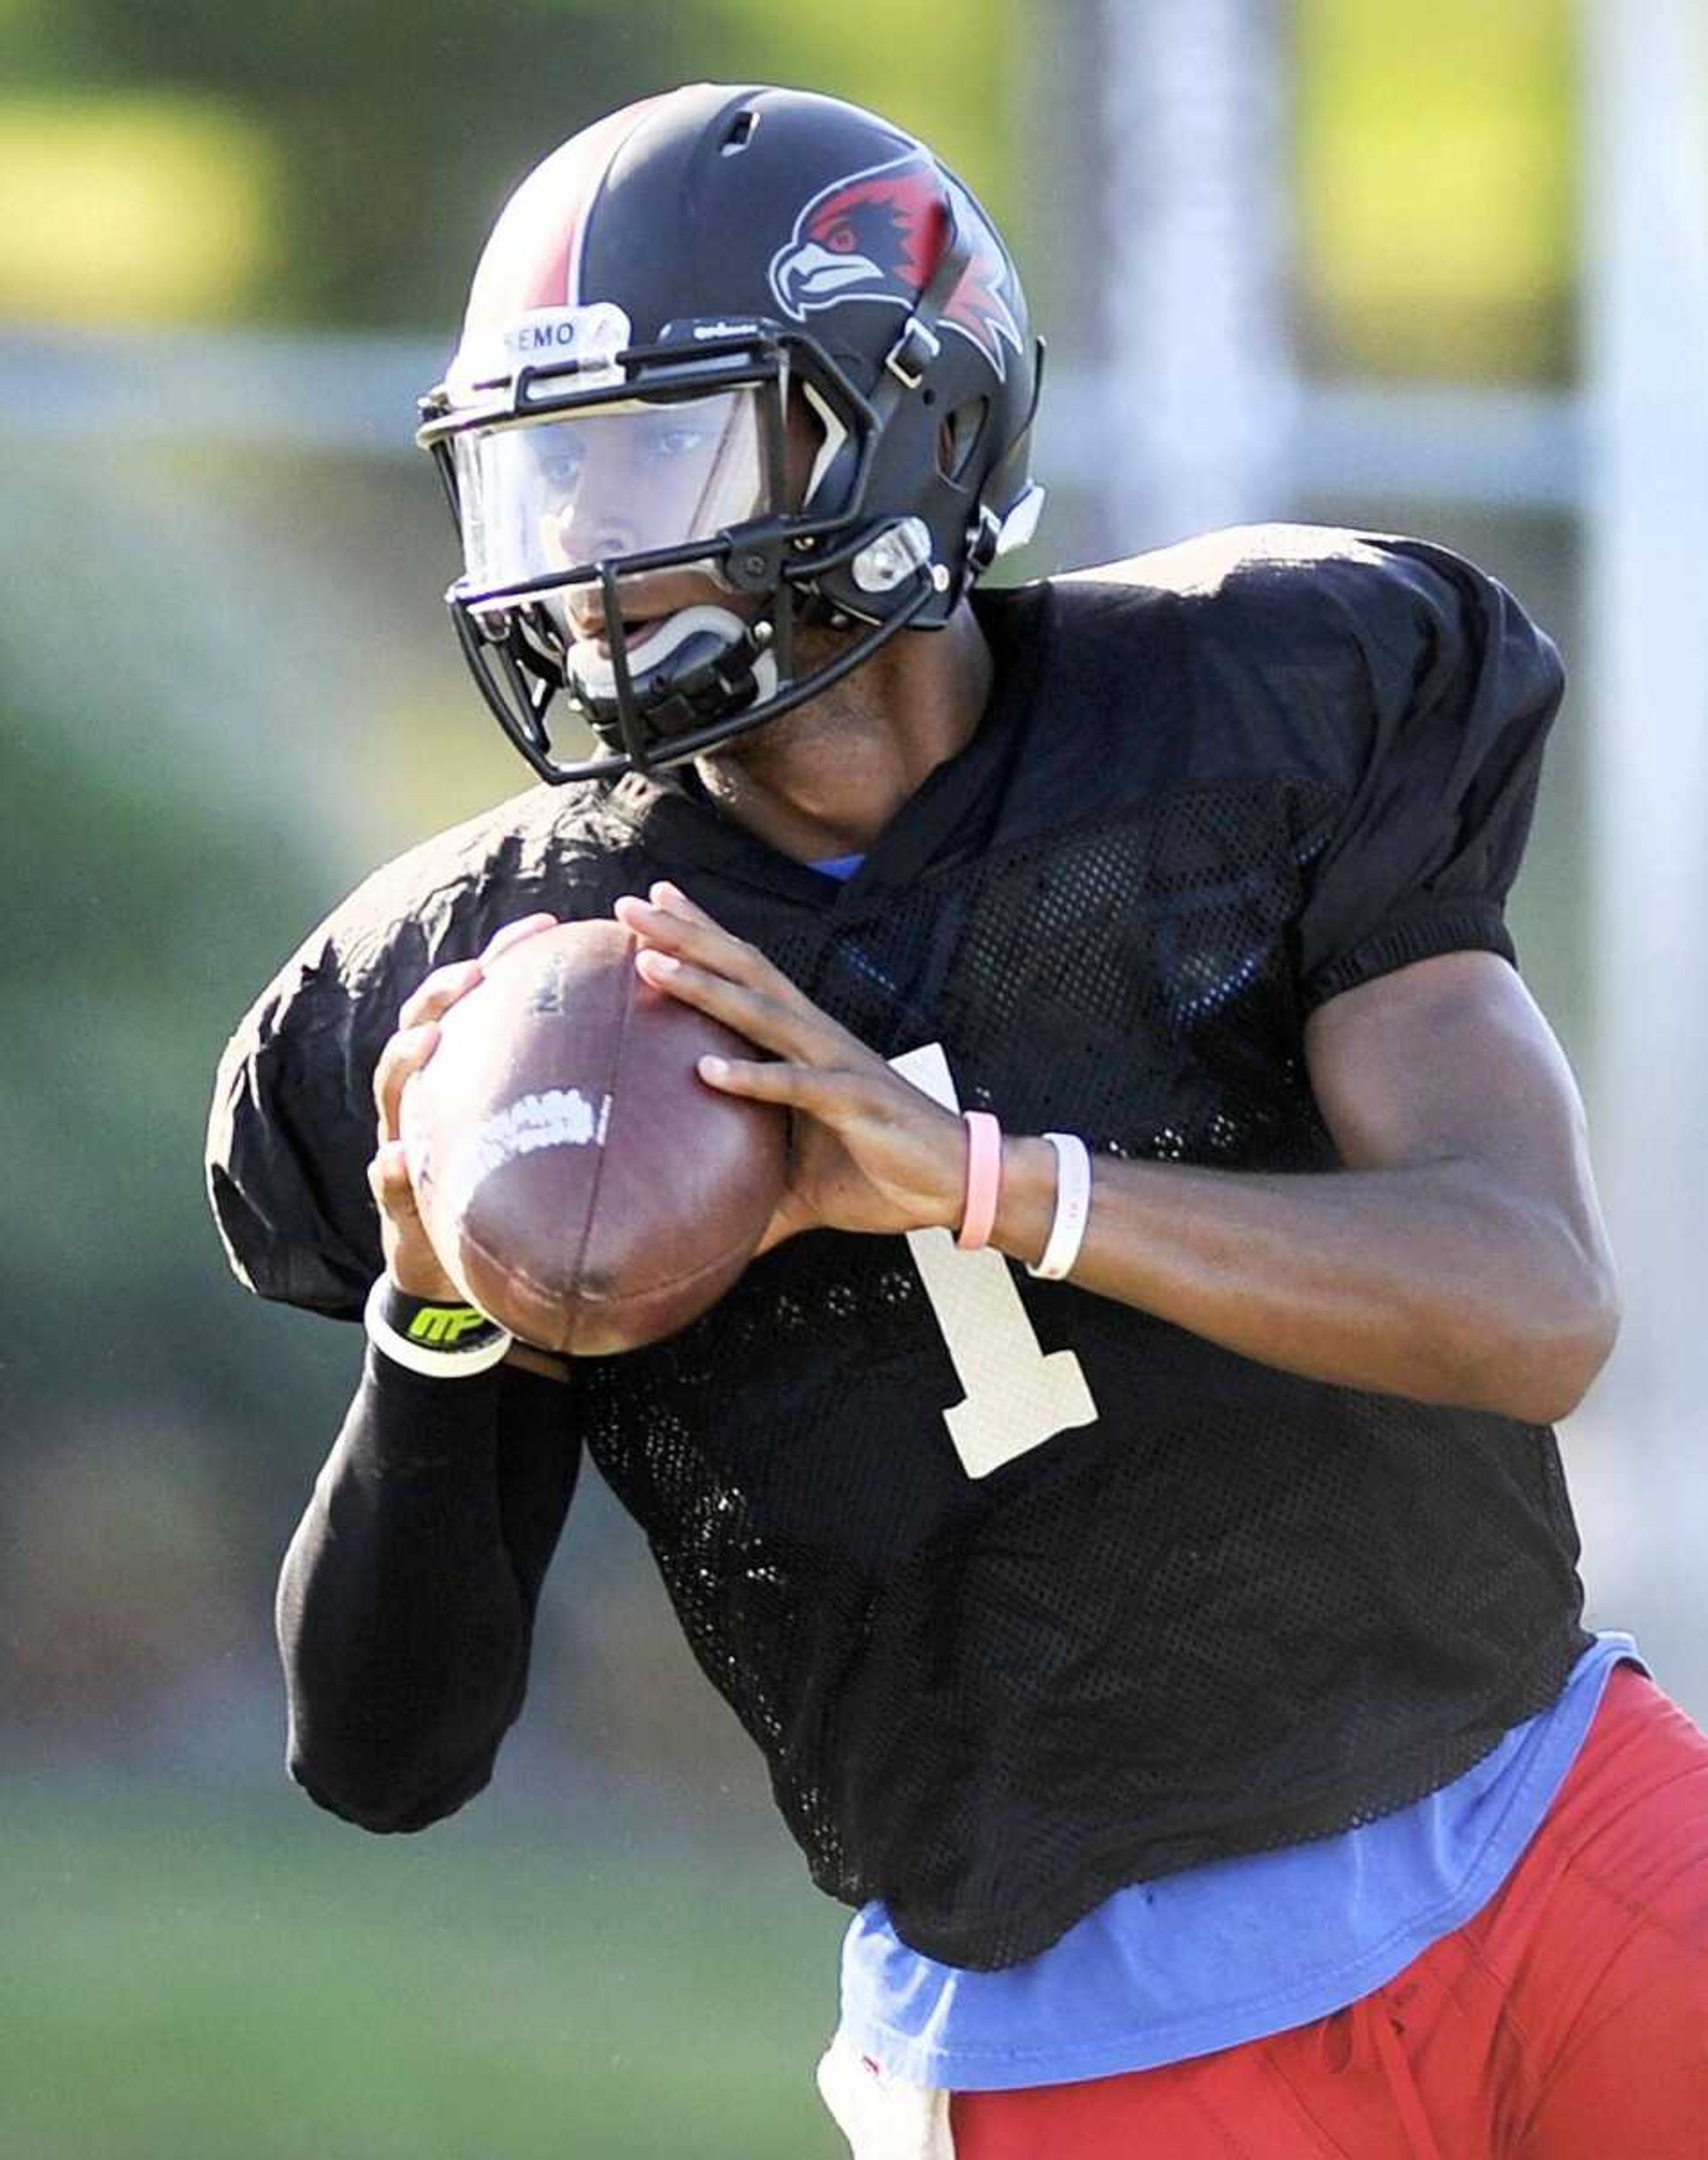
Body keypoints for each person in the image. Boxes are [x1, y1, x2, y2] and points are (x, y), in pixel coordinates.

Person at [206, 82, 1708, 2160]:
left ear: (891, 423)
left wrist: (997, 1188)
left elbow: (1533, 1299)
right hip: (1087, 2037)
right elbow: (385, 1754)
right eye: (540, 481)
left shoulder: (1262, 709)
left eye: (652, 450)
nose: (584, 560)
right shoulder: (522, 985)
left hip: (1551, 1833)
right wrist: (441, 1315)